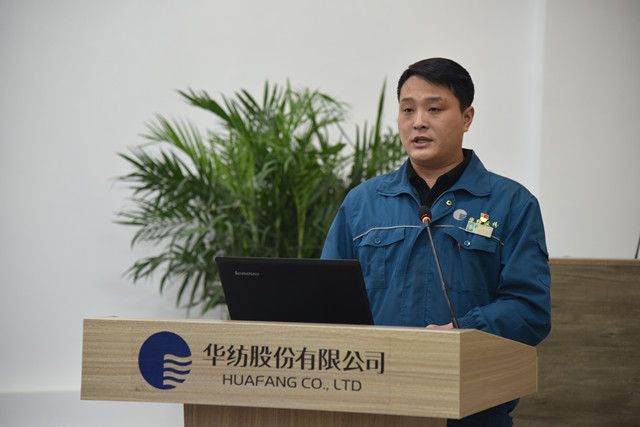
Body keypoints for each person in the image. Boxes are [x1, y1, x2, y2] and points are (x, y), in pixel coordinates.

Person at [321, 58, 551, 426]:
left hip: (470, 407)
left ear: (467, 117)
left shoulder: (512, 204)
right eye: (408, 109)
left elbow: (529, 309)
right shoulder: (362, 202)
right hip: (373, 404)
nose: (418, 122)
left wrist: (464, 331)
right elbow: (326, 301)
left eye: (434, 109)